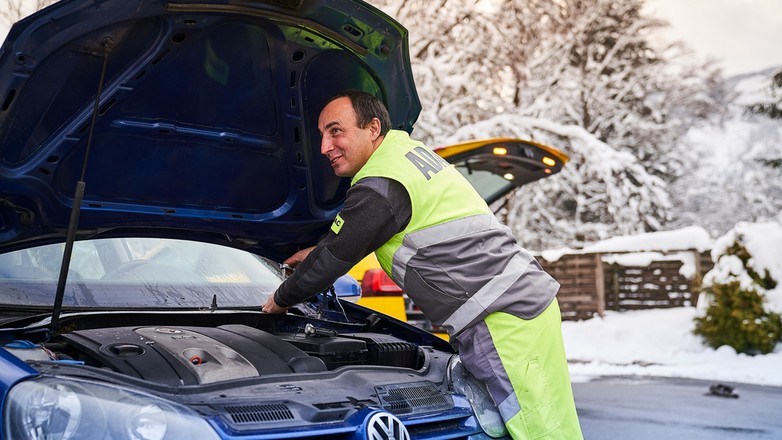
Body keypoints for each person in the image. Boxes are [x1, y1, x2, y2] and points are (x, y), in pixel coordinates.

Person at [262, 90, 583, 439]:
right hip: (517, 303)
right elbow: (364, 236)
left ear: (372, 127)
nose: (324, 146)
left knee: (539, 430)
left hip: (499, 318)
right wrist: (318, 251)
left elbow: (335, 258)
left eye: (335, 131)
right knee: (549, 421)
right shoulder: (404, 156)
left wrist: (279, 300)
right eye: (322, 134)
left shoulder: (380, 184)